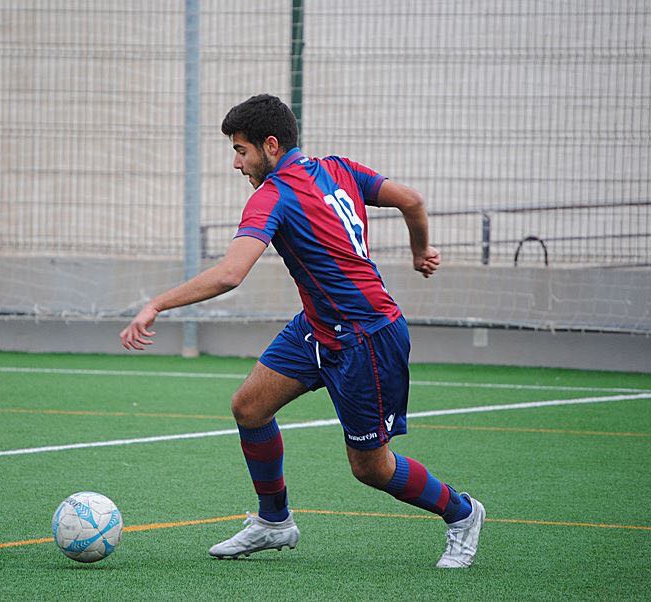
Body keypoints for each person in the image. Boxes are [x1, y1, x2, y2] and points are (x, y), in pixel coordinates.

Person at [120, 94, 484, 568]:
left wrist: (156, 304)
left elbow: (231, 273)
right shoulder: (338, 169)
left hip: (366, 337)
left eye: (242, 150)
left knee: (370, 468)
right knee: (249, 407)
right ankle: (275, 523)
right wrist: (420, 251)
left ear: (271, 145)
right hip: (317, 327)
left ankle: (461, 513)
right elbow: (411, 200)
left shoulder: (272, 195)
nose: (237, 163)